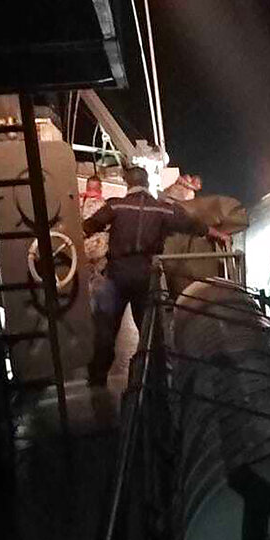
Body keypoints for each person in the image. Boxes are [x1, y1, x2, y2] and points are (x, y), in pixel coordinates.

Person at [82, 166, 230, 387]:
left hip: (116, 275)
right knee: (150, 329)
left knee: (106, 328)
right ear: (147, 184)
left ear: (128, 184)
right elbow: (190, 224)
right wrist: (216, 233)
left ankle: (97, 378)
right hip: (144, 275)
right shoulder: (162, 209)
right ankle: (158, 376)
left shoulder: (115, 205)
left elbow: (89, 225)